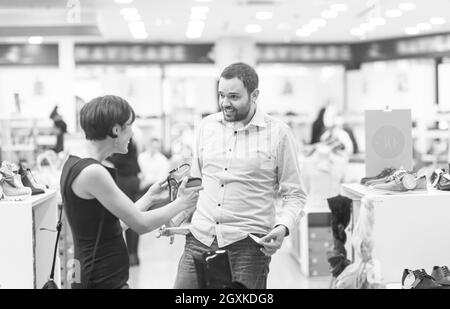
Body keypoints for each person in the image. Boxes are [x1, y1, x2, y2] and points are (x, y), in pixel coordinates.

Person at [173, 63, 307, 289]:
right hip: (199, 238)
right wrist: (175, 218)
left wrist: (282, 228)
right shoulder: (207, 126)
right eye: (221, 95)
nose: (225, 103)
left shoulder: (278, 133)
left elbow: (295, 195)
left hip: (248, 246)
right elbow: (196, 184)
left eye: (234, 96)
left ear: (254, 95)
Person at [60, 95, 202, 289]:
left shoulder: (75, 162)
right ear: (116, 130)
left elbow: (112, 226)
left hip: (92, 274)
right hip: (99, 279)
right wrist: (183, 203)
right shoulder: (93, 172)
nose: (132, 133)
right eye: (129, 125)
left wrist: (150, 197)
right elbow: (141, 224)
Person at [107, 138, 142, 267]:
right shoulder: (131, 143)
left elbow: (118, 161)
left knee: (128, 217)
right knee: (133, 215)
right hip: (133, 180)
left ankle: (131, 255)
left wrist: (106, 155)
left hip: (126, 181)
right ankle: (133, 255)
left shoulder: (123, 144)